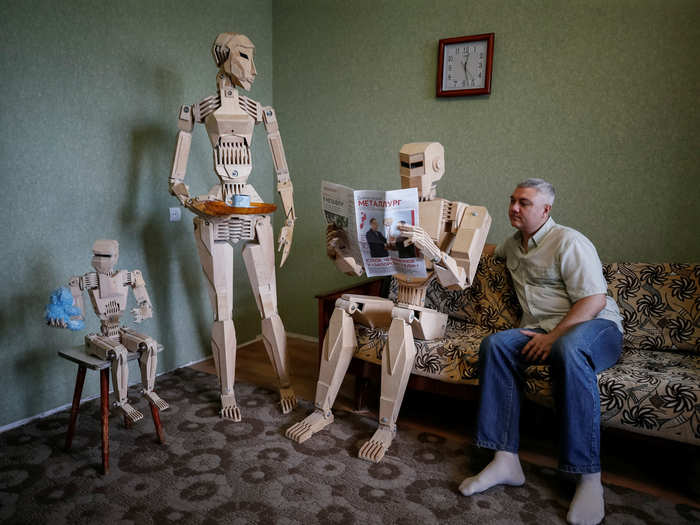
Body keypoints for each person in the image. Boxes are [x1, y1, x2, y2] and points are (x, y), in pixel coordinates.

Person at [459, 179, 623, 525]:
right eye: (512, 201)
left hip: (596, 327)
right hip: (544, 329)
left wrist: (553, 337)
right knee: (497, 345)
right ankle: (505, 459)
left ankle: (588, 476)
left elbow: (594, 300)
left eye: (524, 203)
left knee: (568, 347)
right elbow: (488, 252)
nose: (514, 208)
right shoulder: (514, 245)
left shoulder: (569, 241)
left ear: (546, 210)